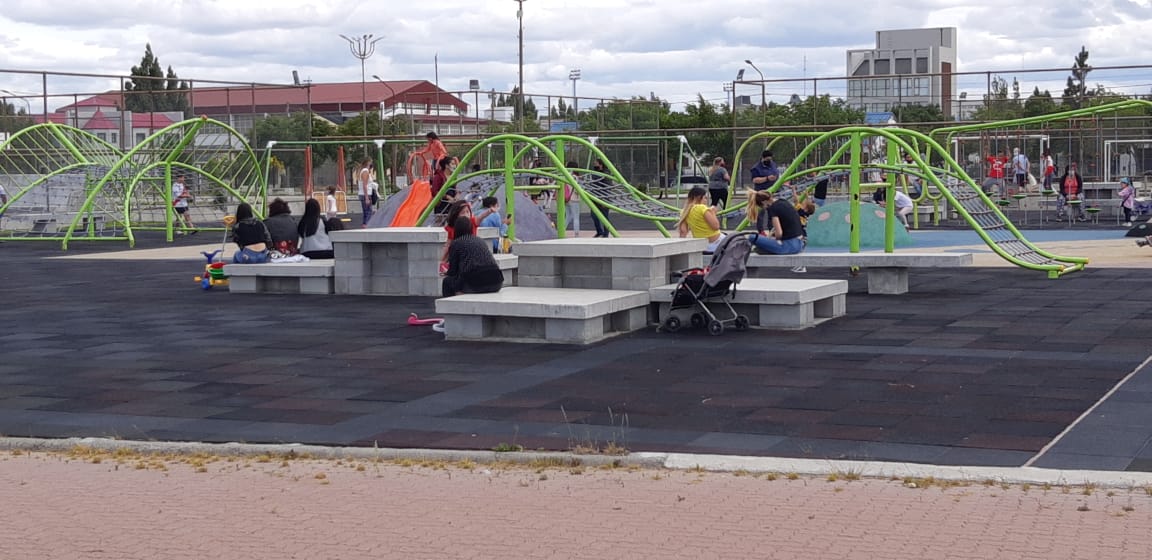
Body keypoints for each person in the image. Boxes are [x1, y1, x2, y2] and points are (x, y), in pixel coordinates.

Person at [441, 215, 504, 298]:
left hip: (475, 283)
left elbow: (453, 271)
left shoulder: (456, 243)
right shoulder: (480, 240)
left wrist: (446, 272)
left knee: (447, 282)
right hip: (496, 281)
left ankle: (450, 307)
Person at [747, 190, 806, 271]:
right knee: (764, 244)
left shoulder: (772, 209)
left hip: (789, 246)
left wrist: (774, 239)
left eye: (762, 207)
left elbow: (779, 234)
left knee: (752, 237)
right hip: (800, 244)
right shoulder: (783, 201)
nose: (764, 208)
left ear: (764, 202)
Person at [675, 186, 725, 252]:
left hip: (701, 245)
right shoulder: (702, 208)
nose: (706, 200)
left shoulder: (684, 211)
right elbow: (716, 226)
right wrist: (713, 213)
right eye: (705, 198)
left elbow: (683, 232)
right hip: (717, 242)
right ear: (699, 198)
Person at [588, 160, 611, 237]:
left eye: (596, 164)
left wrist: (606, 199)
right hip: (595, 197)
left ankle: (606, 233)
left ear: (601, 165)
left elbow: (607, 187)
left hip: (603, 197)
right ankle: (599, 231)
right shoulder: (594, 173)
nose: (594, 165)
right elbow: (593, 183)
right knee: (594, 215)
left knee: (605, 216)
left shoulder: (606, 173)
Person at [357, 158, 375, 227]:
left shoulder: (364, 171)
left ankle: (365, 223)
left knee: (366, 211)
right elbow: (365, 185)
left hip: (363, 193)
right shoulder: (365, 171)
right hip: (365, 194)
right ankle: (367, 224)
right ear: (368, 163)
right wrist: (367, 197)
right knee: (369, 211)